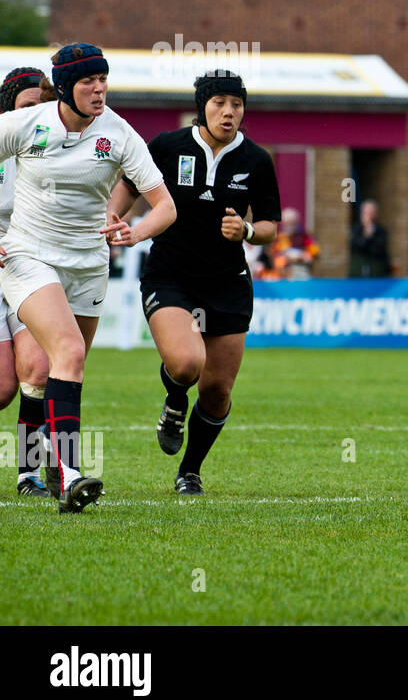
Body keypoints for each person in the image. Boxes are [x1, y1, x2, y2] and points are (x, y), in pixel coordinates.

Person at [0, 43, 176, 513]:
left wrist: (134, 232)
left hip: (90, 263)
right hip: (28, 254)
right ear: (63, 88)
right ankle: (72, 470)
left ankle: (46, 464)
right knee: (66, 353)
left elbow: (165, 207)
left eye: (103, 80)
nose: (99, 90)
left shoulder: (119, 133)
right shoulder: (23, 124)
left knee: (57, 370)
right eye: (87, 82)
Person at [108, 70, 281, 496]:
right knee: (186, 363)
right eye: (220, 102)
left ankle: (190, 471)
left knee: (219, 389)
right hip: (170, 275)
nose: (229, 112)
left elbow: (271, 225)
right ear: (203, 105)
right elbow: (129, 186)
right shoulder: (168, 146)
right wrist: (112, 220)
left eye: (237, 105)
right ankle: (173, 402)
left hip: (228, 282)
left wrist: (246, 230)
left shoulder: (256, 159)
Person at [0, 68, 54, 496]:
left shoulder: (53, 151)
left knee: (37, 368)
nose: (35, 116)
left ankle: (27, 472)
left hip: (29, 267)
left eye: (42, 107)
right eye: (26, 108)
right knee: (2, 388)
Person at [266, 207, 317, 279]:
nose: (290, 226)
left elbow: (313, 252)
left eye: (292, 223)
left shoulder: (304, 236)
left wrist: (304, 256)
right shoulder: (278, 237)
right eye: (287, 223)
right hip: (283, 274)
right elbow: (273, 256)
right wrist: (284, 258)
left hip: (302, 271)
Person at [349, 199, 391, 277]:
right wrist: (367, 235)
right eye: (366, 213)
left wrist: (371, 235)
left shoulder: (381, 231)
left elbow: (378, 249)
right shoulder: (355, 229)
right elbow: (357, 247)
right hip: (357, 273)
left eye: (371, 213)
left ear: (375, 214)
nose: (369, 216)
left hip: (377, 273)